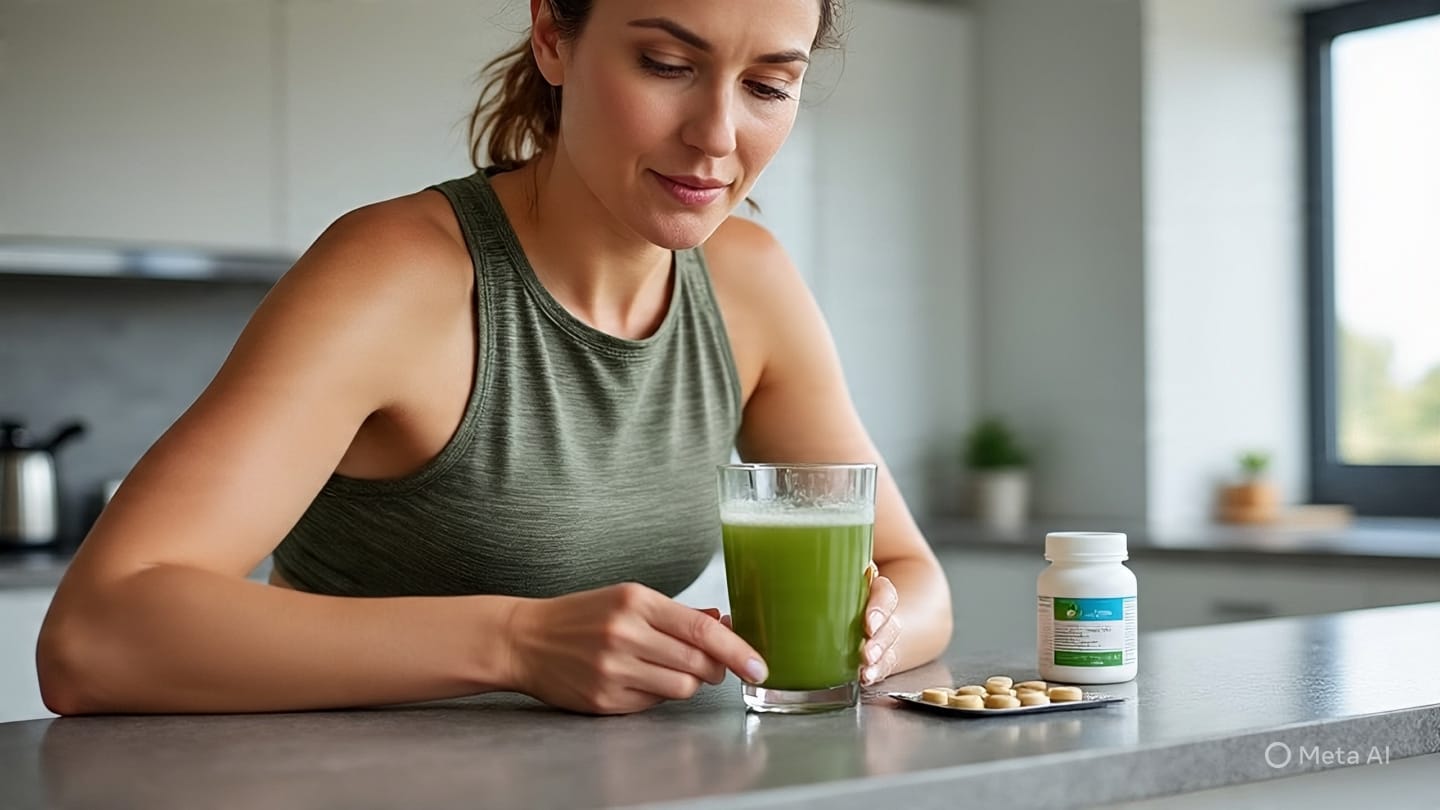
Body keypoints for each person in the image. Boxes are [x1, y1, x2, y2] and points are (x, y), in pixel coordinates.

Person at [36, 0, 953, 716]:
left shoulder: (750, 282)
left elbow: (914, 580)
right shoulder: (393, 273)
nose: (718, 136)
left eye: (768, 84)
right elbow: (95, 635)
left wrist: (875, 633)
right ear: (552, 38)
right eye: (667, 65)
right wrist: (514, 642)